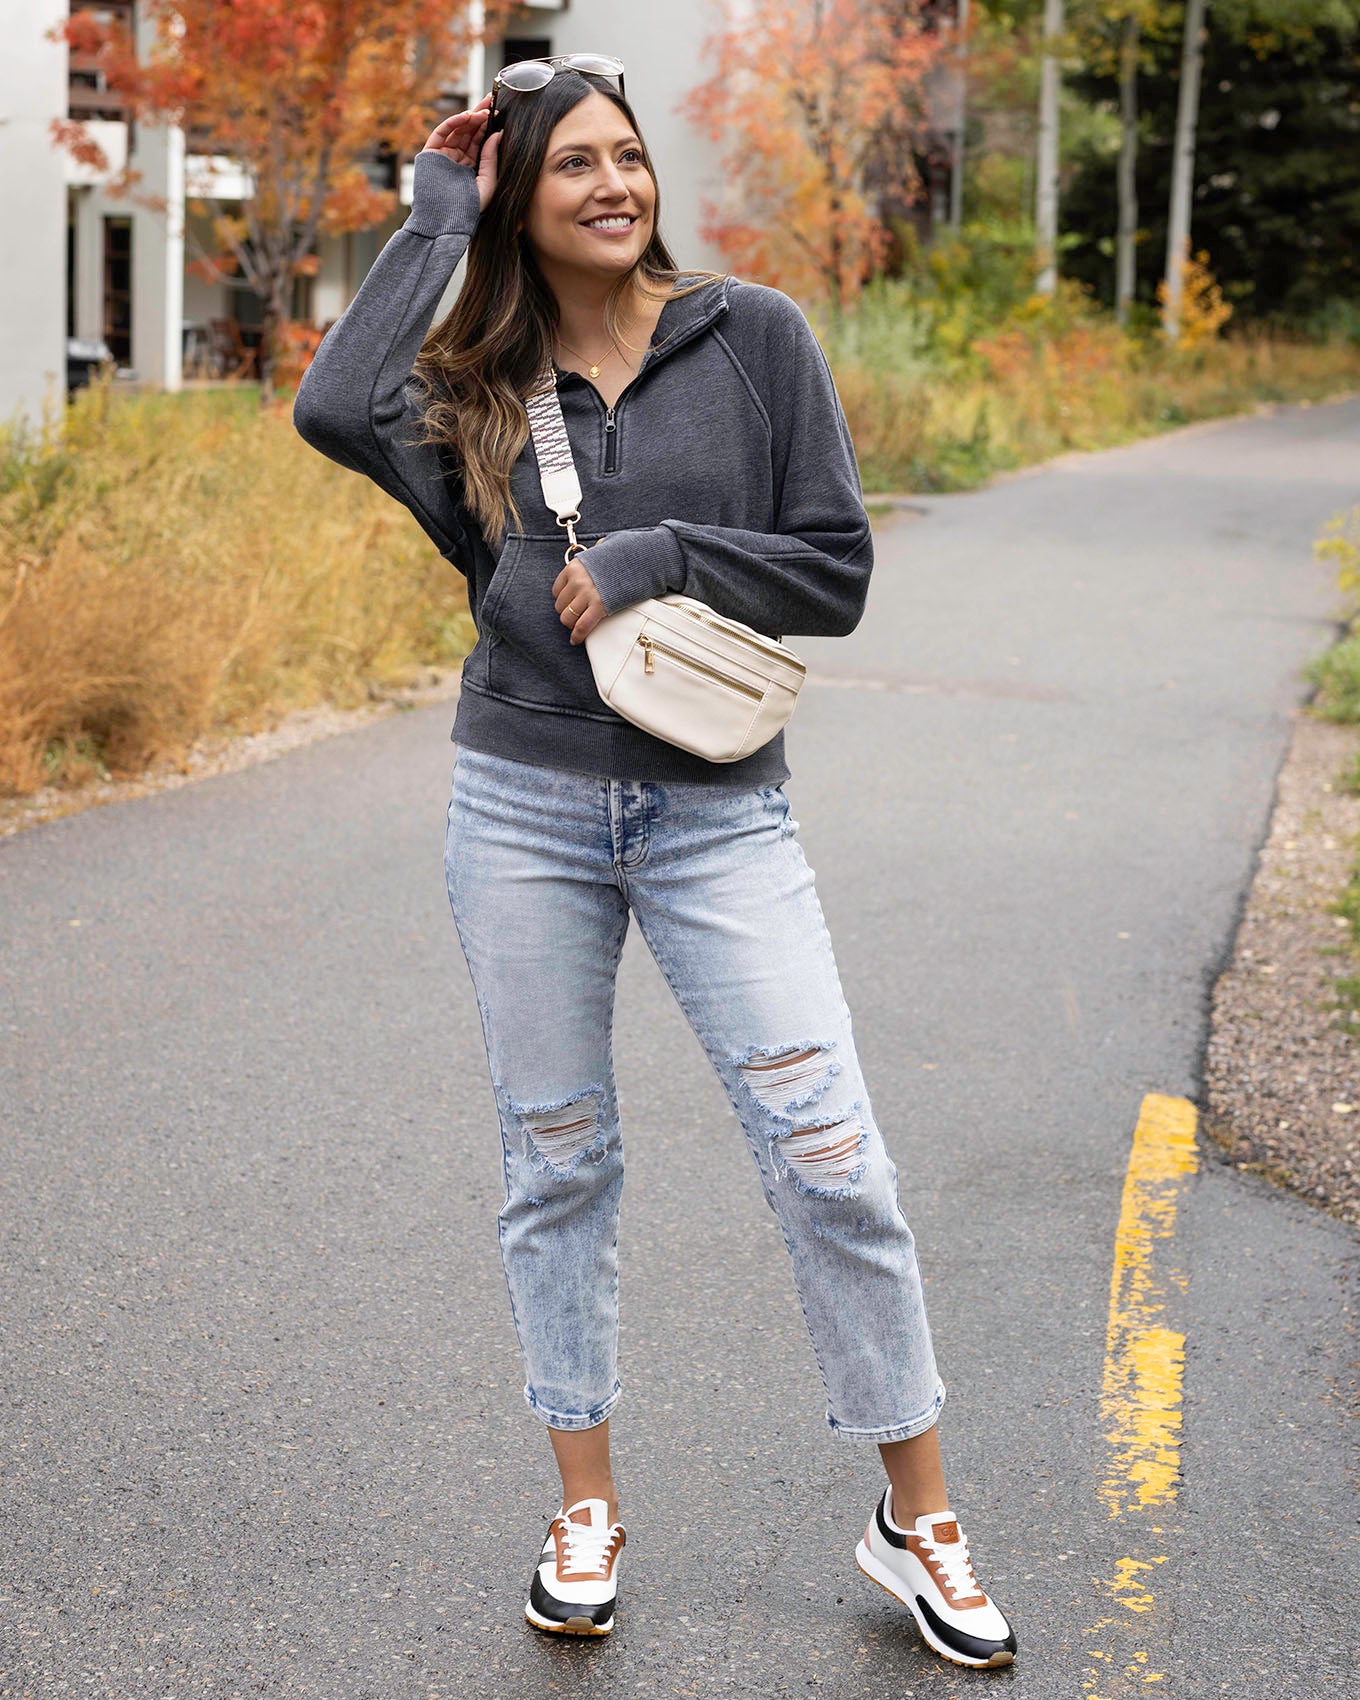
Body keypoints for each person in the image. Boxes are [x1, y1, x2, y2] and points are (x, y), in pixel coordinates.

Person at [293, 56, 1017, 1672]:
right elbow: (333, 406)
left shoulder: (751, 337)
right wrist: (429, 218)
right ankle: (586, 1505)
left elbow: (834, 570)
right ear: (519, 204)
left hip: (717, 812)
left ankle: (919, 1520)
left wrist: (666, 552)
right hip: (525, 810)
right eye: (574, 170)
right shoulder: (477, 385)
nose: (616, 186)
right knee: (557, 1159)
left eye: (631, 159)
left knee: (832, 1153)